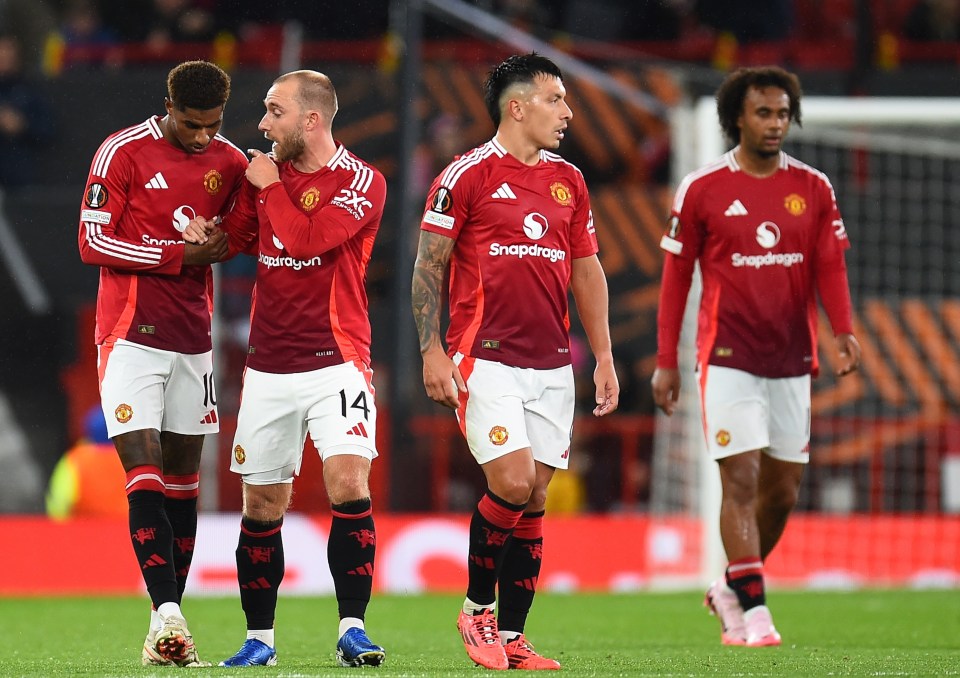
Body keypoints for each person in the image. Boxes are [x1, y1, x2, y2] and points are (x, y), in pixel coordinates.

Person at [411, 52, 619, 671]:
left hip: (553, 363)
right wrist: (431, 350)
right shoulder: (465, 175)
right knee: (512, 482)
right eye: (556, 100)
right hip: (485, 357)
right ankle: (477, 610)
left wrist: (603, 356)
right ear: (517, 106)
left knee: (535, 501)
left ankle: (514, 638)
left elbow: (586, 269)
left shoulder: (570, 181)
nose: (568, 112)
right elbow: (429, 265)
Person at [651, 65, 861, 647]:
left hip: (794, 359)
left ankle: (729, 588)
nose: (775, 124)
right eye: (763, 113)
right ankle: (757, 611)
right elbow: (676, 278)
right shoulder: (702, 188)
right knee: (739, 479)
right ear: (737, 118)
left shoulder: (814, 187)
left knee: (783, 492)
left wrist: (842, 328)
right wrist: (666, 359)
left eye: (782, 113)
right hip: (726, 356)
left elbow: (830, 265)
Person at [187, 69, 388, 668]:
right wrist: (208, 234)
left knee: (349, 485)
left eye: (274, 111)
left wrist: (270, 185)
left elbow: (306, 239)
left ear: (311, 119)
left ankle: (352, 628)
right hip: (269, 365)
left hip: (337, 361)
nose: (262, 123)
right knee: (263, 502)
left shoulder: (361, 180)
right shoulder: (264, 181)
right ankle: (260, 641)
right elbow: (242, 239)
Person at [77, 60, 247, 667]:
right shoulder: (121, 152)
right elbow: (91, 240)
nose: (202, 136)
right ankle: (170, 612)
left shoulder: (229, 161)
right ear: (168, 106)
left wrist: (228, 236)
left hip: (193, 337)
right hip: (128, 333)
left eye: (212, 125)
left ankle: (163, 623)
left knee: (184, 479)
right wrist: (180, 253)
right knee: (141, 465)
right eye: (191, 124)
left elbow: (243, 228)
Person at [46, 406, 127, 520]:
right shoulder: (136, 456)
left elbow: (59, 504)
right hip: (126, 530)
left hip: (86, 531)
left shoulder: (77, 459)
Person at [0, 32, 54, 189]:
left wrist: (22, 125)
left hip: (19, 181)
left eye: (10, 54)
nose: (6, 60)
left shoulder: (28, 90)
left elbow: (48, 129)